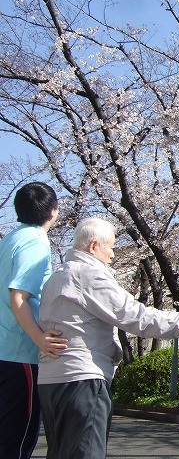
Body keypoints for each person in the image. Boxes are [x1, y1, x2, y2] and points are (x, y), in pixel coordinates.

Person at [37, 217, 179, 459]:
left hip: (51, 380)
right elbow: (131, 314)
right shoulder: (88, 274)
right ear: (93, 246)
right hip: (83, 378)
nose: (113, 254)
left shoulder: (57, 277)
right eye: (110, 247)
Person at [0, 182, 68, 459]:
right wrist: (39, 339)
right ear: (53, 211)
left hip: (5, 350)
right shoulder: (36, 241)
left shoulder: (11, 238)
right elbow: (19, 297)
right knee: (17, 441)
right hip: (21, 355)